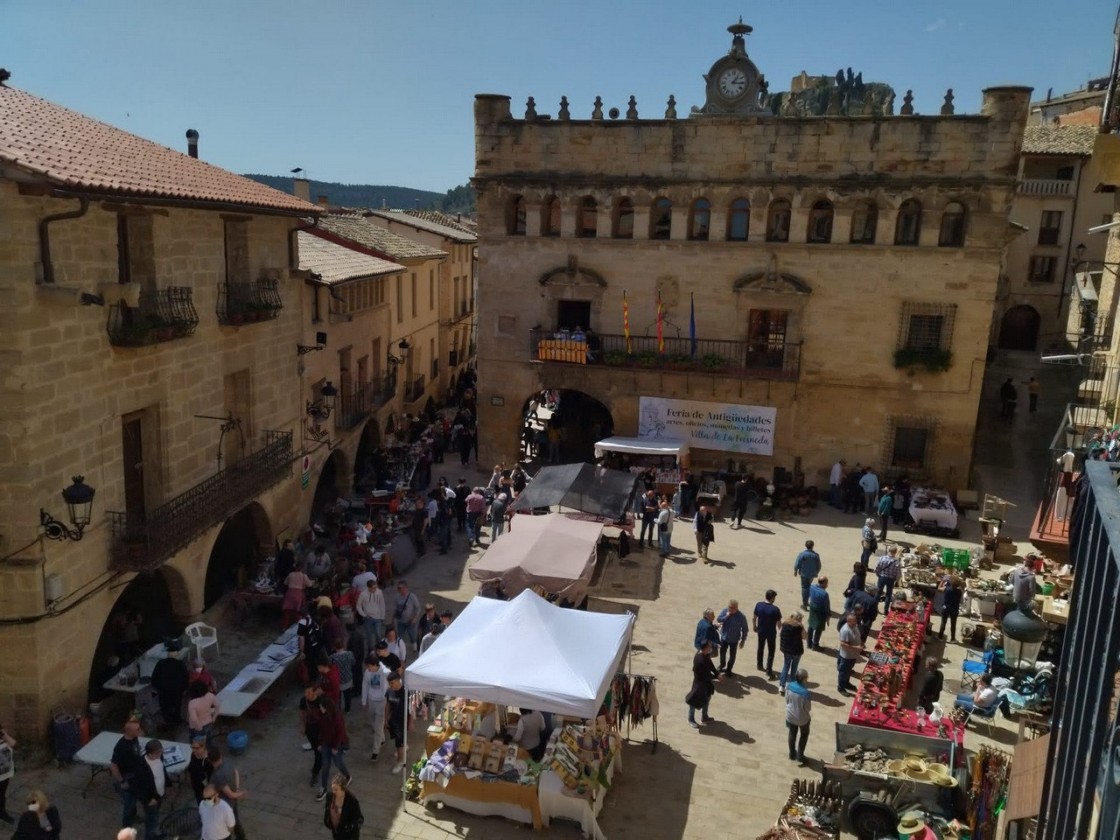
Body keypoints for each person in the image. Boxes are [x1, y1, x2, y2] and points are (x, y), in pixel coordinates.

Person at [109, 718, 144, 829]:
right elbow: (113, 766)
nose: (140, 731)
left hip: (134, 776)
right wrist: (122, 781)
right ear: (129, 731)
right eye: (137, 729)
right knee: (129, 804)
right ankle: (126, 829)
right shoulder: (121, 747)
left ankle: (134, 817)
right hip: (126, 777)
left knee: (133, 801)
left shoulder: (134, 738)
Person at [208, 747, 248, 840]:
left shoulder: (218, 775)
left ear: (210, 760)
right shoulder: (227, 762)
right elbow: (236, 772)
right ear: (220, 755)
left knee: (226, 828)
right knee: (236, 820)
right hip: (233, 802)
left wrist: (239, 794)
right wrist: (237, 789)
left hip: (225, 805)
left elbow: (229, 794)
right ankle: (241, 837)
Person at [133, 739, 169, 840]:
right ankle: (149, 837)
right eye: (158, 753)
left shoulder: (159, 757)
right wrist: (149, 799)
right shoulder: (141, 767)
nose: (160, 754)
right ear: (150, 753)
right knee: (151, 820)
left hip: (158, 795)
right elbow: (140, 787)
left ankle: (154, 835)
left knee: (155, 816)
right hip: (151, 799)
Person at [360, 654, 391, 761]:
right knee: (373, 722)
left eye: (369, 666)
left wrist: (389, 701)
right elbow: (365, 685)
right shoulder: (368, 672)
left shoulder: (385, 672)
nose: (368, 669)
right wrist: (364, 701)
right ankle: (381, 738)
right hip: (371, 700)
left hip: (382, 702)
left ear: (374, 665)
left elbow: (393, 683)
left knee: (378, 726)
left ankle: (375, 751)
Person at [686, 639, 721, 728]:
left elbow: (710, 664)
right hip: (699, 684)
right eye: (709, 647)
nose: (710, 648)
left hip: (706, 683)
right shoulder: (699, 659)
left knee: (707, 699)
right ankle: (691, 719)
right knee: (693, 701)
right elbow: (705, 675)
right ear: (705, 648)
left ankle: (704, 717)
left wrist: (717, 673)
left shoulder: (706, 655)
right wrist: (717, 677)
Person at [150, 654, 190, 729]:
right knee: (177, 706)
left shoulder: (160, 663)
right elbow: (185, 677)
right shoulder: (180, 664)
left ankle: (169, 723)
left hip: (163, 691)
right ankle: (177, 722)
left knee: (165, 708)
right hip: (177, 691)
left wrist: (157, 687)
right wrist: (184, 688)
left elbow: (154, 677)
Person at [323, 773, 364, 840]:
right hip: (336, 833)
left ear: (343, 789)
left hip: (349, 835)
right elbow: (327, 810)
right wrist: (327, 821)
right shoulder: (329, 796)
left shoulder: (352, 801)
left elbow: (359, 818)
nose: (333, 791)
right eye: (332, 788)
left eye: (336, 789)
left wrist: (351, 827)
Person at [751, 591, 781, 678]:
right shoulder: (775, 609)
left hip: (761, 631)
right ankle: (769, 670)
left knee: (760, 647)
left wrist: (754, 626)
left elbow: (754, 617)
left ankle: (759, 665)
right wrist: (782, 631)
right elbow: (779, 623)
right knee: (771, 652)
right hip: (771, 633)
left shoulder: (759, 605)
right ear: (772, 598)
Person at [785, 668, 812, 763]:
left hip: (790, 715)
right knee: (804, 734)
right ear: (804, 679)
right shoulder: (805, 693)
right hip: (802, 718)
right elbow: (808, 708)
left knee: (792, 733)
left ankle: (792, 754)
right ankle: (800, 756)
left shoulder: (789, 686)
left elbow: (787, 699)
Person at [716, 600, 749, 677]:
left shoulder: (741, 617)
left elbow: (745, 629)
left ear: (736, 608)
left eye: (731, 608)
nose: (729, 609)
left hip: (734, 640)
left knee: (732, 656)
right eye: (729, 607)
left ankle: (729, 669)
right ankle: (722, 665)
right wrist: (726, 616)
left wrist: (743, 640)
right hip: (724, 637)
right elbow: (719, 619)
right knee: (722, 652)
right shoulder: (725, 611)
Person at [778, 613, 806, 694]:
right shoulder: (800, 627)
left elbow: (780, 634)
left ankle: (781, 686)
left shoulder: (785, 624)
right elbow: (805, 637)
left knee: (786, 666)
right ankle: (792, 686)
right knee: (794, 668)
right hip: (797, 651)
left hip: (787, 650)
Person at [386, 673, 408, 774]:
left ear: (399, 680)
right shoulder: (389, 691)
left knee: (399, 743)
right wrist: (386, 718)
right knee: (398, 740)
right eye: (389, 683)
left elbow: (411, 709)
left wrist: (411, 722)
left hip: (402, 721)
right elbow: (388, 704)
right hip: (393, 720)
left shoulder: (405, 692)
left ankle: (400, 762)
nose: (391, 685)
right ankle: (403, 747)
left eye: (392, 683)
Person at [355, 578, 385, 654]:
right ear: (369, 588)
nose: (375, 589)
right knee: (369, 635)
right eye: (373, 588)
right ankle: (370, 649)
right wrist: (364, 615)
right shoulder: (363, 594)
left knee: (378, 634)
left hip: (377, 616)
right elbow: (358, 606)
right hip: (368, 617)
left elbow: (382, 604)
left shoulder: (379, 592)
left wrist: (382, 616)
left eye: (376, 587)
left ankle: (379, 647)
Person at [188, 679, 221, 747]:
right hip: (208, 722)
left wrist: (199, 728)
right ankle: (210, 751)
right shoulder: (210, 695)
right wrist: (214, 717)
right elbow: (217, 705)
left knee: (198, 745)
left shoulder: (192, 703)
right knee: (209, 739)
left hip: (196, 727)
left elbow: (194, 719)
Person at [836, 612, 864, 695]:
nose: (856, 622)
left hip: (852, 655)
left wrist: (861, 643)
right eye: (854, 621)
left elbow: (857, 636)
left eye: (855, 621)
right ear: (848, 622)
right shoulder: (845, 631)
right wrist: (857, 648)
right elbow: (843, 644)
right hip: (846, 656)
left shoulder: (854, 626)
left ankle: (846, 683)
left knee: (848, 670)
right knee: (843, 672)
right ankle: (841, 687)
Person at [393, 580, 422, 652]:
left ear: (406, 588)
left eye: (401, 588)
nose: (400, 590)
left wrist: (414, 617)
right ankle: (401, 649)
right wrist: (393, 619)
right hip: (400, 620)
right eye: (398, 588)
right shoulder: (397, 597)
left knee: (412, 634)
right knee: (400, 636)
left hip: (410, 620)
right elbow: (396, 609)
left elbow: (418, 608)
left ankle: (414, 646)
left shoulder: (412, 597)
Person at [330, 639, 357, 713]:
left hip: (337, 679)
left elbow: (331, 668)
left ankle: (337, 709)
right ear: (343, 645)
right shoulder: (349, 654)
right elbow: (353, 663)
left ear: (335, 647)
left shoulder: (332, 657)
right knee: (347, 696)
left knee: (337, 696)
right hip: (347, 678)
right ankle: (347, 709)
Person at [793, 540, 821, 609]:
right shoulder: (816, 555)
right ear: (813, 546)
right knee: (808, 587)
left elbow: (797, 563)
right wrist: (816, 572)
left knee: (804, 588)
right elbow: (819, 565)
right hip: (812, 574)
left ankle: (804, 604)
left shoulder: (802, 554)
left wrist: (795, 570)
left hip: (804, 574)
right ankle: (807, 601)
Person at [874, 547, 902, 614]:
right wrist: (896, 580)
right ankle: (885, 611)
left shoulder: (882, 558)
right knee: (888, 595)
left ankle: (874, 607)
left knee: (878, 593)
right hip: (891, 579)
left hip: (882, 577)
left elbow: (877, 568)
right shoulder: (897, 562)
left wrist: (878, 575)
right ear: (895, 552)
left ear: (889, 551)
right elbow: (898, 574)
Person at [806, 577, 831, 651]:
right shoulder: (824, 594)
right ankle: (815, 645)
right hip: (820, 611)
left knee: (811, 625)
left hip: (812, 607)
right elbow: (827, 605)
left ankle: (809, 643)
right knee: (818, 628)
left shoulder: (812, 586)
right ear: (823, 583)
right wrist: (828, 615)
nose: (827, 585)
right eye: (826, 583)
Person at [938, 575, 964, 641]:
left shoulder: (946, 589)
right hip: (954, 609)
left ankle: (940, 637)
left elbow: (939, 588)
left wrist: (943, 580)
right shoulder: (959, 591)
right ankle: (952, 639)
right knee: (953, 624)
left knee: (943, 623)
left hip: (946, 607)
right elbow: (961, 588)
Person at [187, 737, 212, 804]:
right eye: (192, 747)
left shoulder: (208, 762)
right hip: (196, 787)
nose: (194, 750)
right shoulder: (194, 755)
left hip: (206, 790)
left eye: (197, 748)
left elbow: (211, 779)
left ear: (203, 747)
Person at [0, 723, 16, 824]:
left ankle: (2, 812)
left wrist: (4, 734)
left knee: (2, 794)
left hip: (5, 773)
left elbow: (14, 744)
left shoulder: (3, 735)